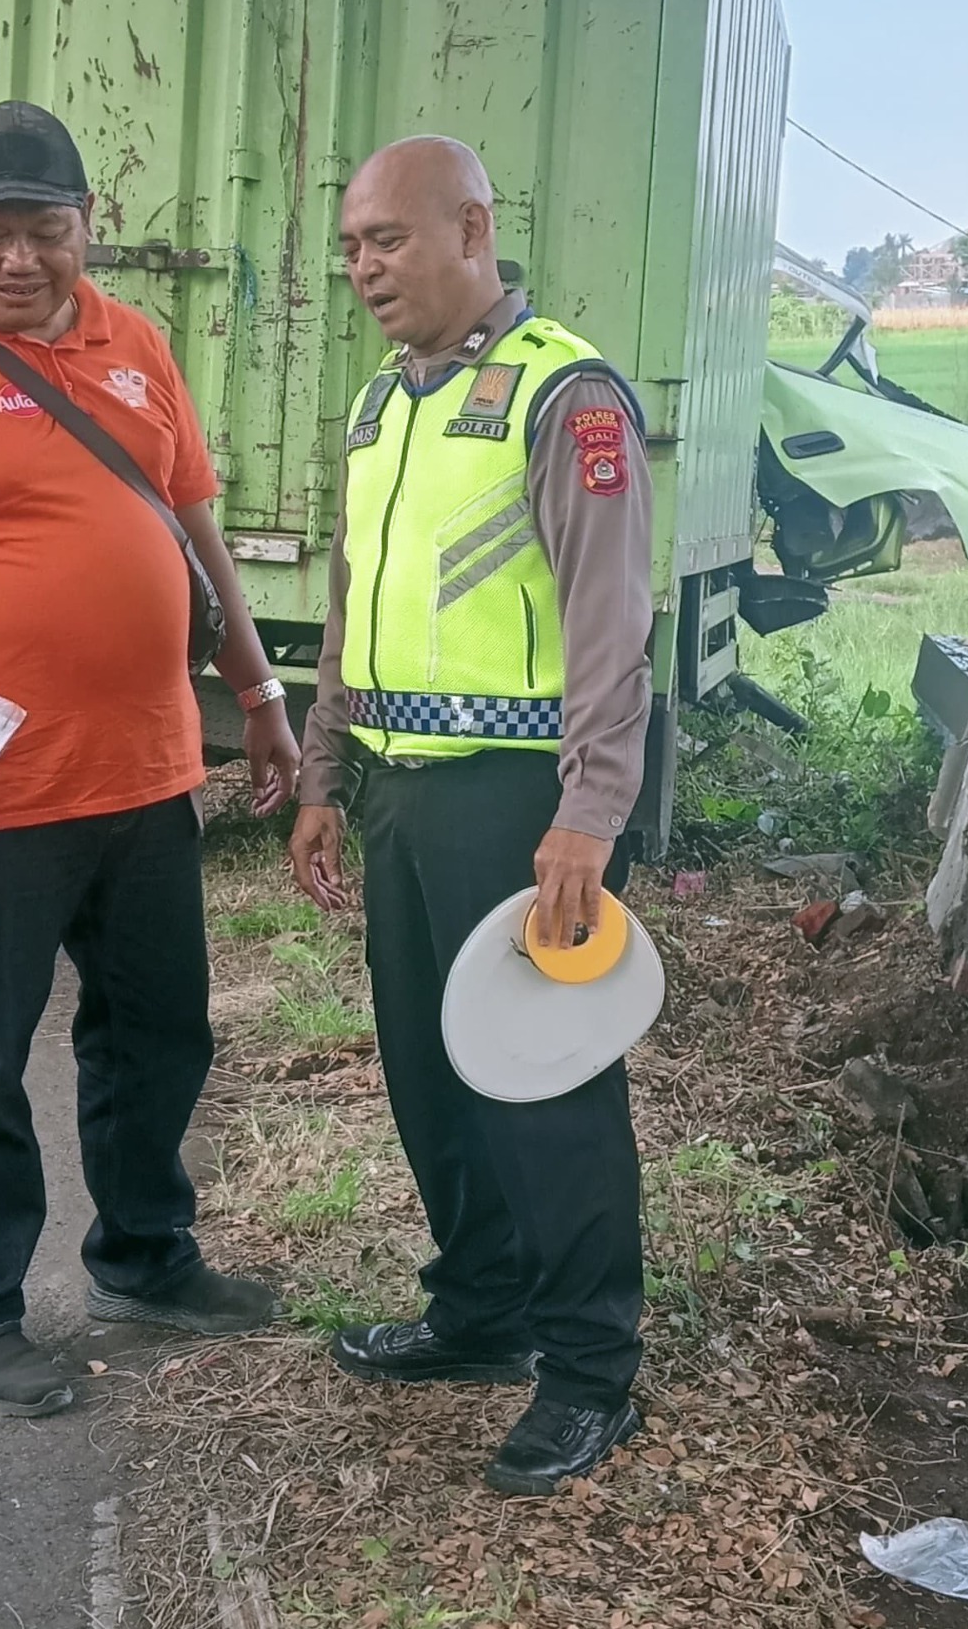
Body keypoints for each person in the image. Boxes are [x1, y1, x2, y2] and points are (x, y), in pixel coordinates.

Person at [0, 100, 298, 1419]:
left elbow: (196, 531)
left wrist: (255, 690)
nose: (19, 261)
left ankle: (145, 1255)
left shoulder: (135, 343)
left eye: (45, 233)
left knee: (160, 1038)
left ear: (89, 229)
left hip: (145, 775)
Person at [287, 135, 655, 1498]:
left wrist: (591, 810)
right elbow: (350, 607)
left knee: (545, 1084)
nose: (363, 268)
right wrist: (326, 772)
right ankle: (483, 1307)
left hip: (518, 804)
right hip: (397, 794)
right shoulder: (385, 405)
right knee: (430, 1072)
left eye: (386, 239)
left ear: (472, 229)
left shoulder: (568, 396)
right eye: (350, 247)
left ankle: (588, 1369)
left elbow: (615, 621)